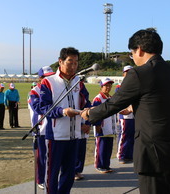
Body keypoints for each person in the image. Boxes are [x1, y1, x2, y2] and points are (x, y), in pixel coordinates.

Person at [81, 28, 170, 194]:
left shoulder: (139, 73)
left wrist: (89, 113)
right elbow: (156, 102)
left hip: (155, 155)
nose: (133, 57)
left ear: (139, 49)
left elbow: (113, 104)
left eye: (132, 54)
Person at [32, 47, 91, 193]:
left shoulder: (79, 82)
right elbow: (42, 107)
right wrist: (63, 112)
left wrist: (87, 121)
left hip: (74, 135)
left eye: (76, 63)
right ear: (60, 61)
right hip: (55, 137)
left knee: (69, 174)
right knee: (51, 173)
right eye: (70, 62)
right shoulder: (48, 82)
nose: (73, 66)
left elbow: (87, 104)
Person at [28, 66, 55, 190]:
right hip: (41, 129)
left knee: (52, 156)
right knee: (41, 157)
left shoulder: (53, 89)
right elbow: (38, 108)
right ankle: (40, 179)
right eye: (46, 77)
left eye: (51, 76)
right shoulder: (34, 91)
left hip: (53, 128)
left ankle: (50, 179)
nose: (49, 78)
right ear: (40, 78)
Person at [92, 78, 116, 173]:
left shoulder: (110, 98)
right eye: (106, 86)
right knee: (101, 148)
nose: (108, 87)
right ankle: (99, 165)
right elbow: (95, 113)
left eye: (110, 85)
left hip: (110, 127)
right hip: (101, 127)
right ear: (101, 87)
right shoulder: (98, 98)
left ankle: (106, 165)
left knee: (108, 148)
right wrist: (97, 125)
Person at [116, 65, 135, 164]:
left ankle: (129, 155)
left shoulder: (136, 85)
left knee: (132, 135)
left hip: (133, 115)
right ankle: (121, 155)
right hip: (125, 115)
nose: (128, 74)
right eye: (127, 72)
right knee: (124, 135)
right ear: (123, 74)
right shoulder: (120, 87)